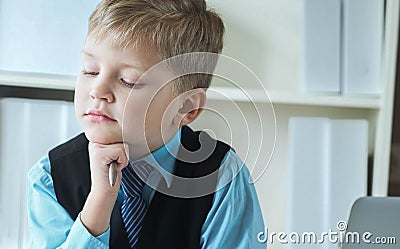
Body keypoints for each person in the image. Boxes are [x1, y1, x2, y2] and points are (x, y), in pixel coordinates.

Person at [27, 0, 266, 248]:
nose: (98, 91)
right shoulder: (49, 178)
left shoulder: (222, 176)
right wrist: (99, 204)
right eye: (90, 70)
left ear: (186, 107)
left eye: (129, 81)